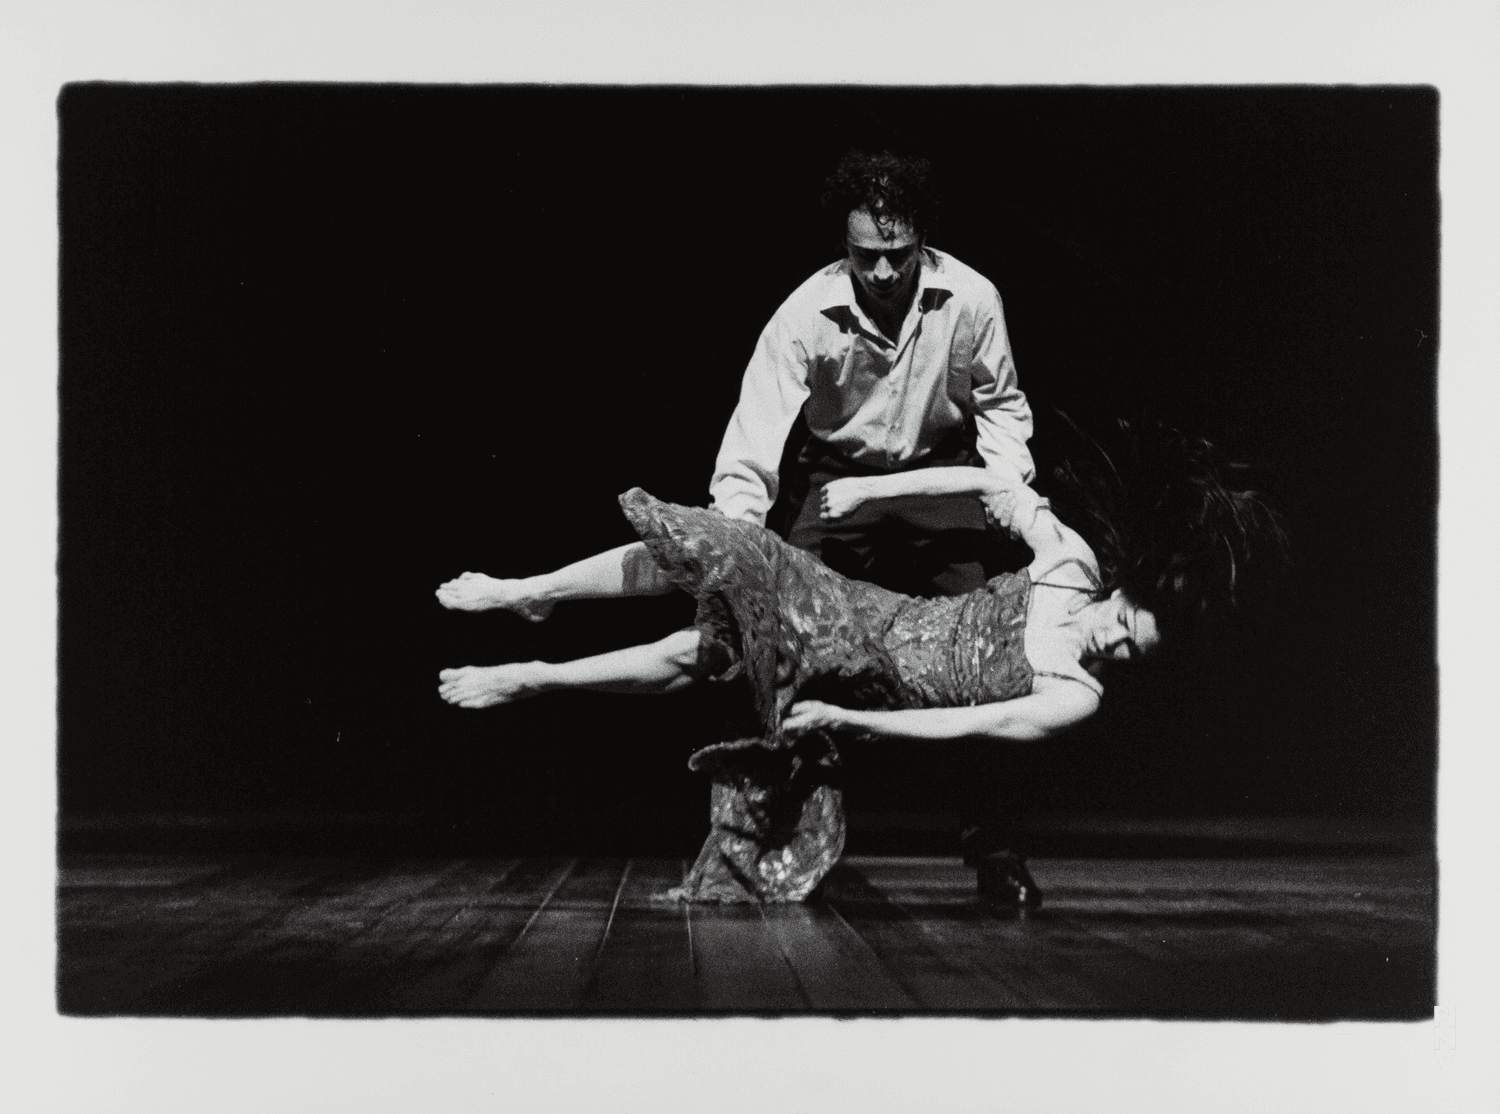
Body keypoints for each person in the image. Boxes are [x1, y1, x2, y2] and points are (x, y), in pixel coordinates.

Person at [435, 425, 1281, 905]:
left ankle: (535, 675)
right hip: (861, 612)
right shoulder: (1072, 565)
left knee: (704, 650)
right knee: (723, 558)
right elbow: (990, 485)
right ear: (1125, 592)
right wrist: (877, 492)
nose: (1117, 644)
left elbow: (964, 725)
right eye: (1127, 624)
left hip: (867, 691)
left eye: (1133, 652)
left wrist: (851, 721)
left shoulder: (1077, 695)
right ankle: (530, 593)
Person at [708, 148, 1042, 899]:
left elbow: (1001, 405)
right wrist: (739, 535)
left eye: (898, 255)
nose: (884, 273)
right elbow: (755, 431)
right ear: (844, 246)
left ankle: (995, 850)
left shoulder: (973, 299)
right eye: (867, 256)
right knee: (782, 643)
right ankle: (781, 843)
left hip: (937, 476)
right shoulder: (803, 314)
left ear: (922, 240)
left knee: (985, 655)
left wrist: (1008, 495)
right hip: (837, 479)